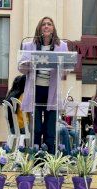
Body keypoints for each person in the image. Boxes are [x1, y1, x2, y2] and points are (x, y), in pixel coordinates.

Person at [18, 17, 68, 154]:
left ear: (53, 28)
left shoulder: (62, 46)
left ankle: (50, 160)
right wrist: (28, 64)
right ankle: (35, 160)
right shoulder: (28, 45)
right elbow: (21, 69)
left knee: (50, 129)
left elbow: (65, 72)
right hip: (35, 90)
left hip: (52, 91)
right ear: (39, 28)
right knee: (37, 128)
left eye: (49, 24)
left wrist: (61, 65)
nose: (46, 26)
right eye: (44, 24)